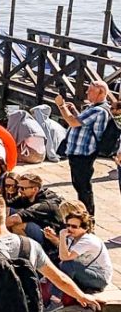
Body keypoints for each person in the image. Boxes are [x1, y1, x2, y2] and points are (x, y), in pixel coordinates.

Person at [55, 80, 114, 216]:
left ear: (101, 92)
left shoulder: (98, 110)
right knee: (80, 185)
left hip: (84, 154)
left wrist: (61, 106)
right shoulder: (94, 107)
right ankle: (84, 213)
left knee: (83, 187)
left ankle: (87, 216)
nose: (87, 92)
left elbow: (73, 122)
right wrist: (74, 111)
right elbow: (83, 123)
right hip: (79, 152)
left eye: (91, 90)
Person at [45, 205, 112, 296]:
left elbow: (65, 257)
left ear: (85, 228)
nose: (69, 229)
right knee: (52, 257)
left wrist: (62, 236)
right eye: (67, 225)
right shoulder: (74, 237)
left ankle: (56, 298)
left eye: (74, 226)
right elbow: (64, 249)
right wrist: (53, 238)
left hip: (100, 278)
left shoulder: (87, 241)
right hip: (85, 270)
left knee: (68, 264)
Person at [5, 173, 63, 255]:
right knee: (7, 211)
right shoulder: (27, 196)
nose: (19, 191)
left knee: (17, 225)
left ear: (35, 189)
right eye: (18, 187)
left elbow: (15, 219)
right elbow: (5, 205)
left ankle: (27, 252)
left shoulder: (45, 204)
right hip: (39, 224)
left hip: (51, 238)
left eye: (22, 188)